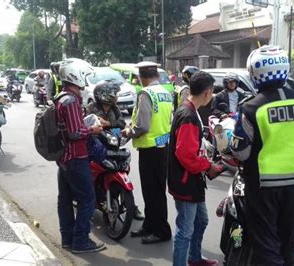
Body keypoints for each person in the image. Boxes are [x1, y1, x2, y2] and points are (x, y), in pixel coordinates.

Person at [230, 45, 294, 265]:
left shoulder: (251, 107)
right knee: (287, 237)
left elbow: (241, 151)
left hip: (263, 183)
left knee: (265, 241)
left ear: (254, 73)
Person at [168, 71, 224, 266]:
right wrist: (208, 166)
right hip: (185, 181)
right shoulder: (189, 116)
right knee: (185, 231)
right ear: (207, 93)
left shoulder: (188, 110)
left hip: (192, 180)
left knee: (201, 221)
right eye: (213, 93)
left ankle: (194, 258)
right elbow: (185, 155)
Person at [55, 58, 106, 253]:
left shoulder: (62, 97)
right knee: (87, 200)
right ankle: (80, 242)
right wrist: (92, 129)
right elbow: (75, 132)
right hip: (76, 157)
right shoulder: (70, 101)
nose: (85, 79)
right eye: (83, 75)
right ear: (74, 75)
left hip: (65, 158)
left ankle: (68, 239)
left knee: (65, 199)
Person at [121, 61, 173, 244]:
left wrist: (128, 132)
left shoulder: (146, 94)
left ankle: (161, 231)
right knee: (155, 191)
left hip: (150, 150)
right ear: (156, 76)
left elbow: (142, 125)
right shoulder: (166, 93)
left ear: (142, 77)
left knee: (152, 192)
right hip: (162, 148)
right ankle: (150, 226)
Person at [85, 80, 145, 221]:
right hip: (95, 145)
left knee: (122, 169)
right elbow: (86, 122)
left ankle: (130, 204)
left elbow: (121, 123)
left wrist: (109, 124)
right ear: (104, 95)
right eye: (114, 93)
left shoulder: (114, 108)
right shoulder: (91, 107)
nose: (116, 96)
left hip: (112, 144)